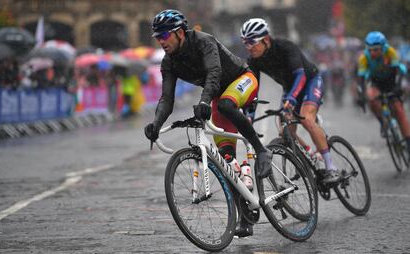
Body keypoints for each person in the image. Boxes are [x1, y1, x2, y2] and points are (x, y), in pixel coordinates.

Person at [144, 10, 273, 237]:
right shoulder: (169, 63)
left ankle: (262, 151)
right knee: (225, 159)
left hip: (242, 79)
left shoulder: (203, 41)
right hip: (218, 94)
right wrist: (155, 124)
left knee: (225, 104)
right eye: (157, 38)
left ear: (180, 33)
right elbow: (167, 98)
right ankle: (246, 216)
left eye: (164, 36)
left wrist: (204, 101)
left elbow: (215, 71)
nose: (160, 41)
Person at [240, 18, 341, 184]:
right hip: (290, 89)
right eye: (245, 43)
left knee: (307, 119)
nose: (248, 47)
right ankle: (310, 154)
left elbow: (300, 75)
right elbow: (253, 90)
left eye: (252, 42)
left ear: (265, 39)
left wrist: (292, 98)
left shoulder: (285, 46)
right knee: (285, 132)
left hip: (309, 81)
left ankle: (331, 168)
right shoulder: (254, 61)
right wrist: (249, 114)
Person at [357, 31, 410, 150]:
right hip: (377, 82)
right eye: (369, 49)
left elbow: (398, 71)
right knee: (371, 97)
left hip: (392, 81)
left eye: (375, 49)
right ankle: (382, 122)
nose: (372, 53)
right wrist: (361, 95)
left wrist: (398, 87)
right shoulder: (364, 58)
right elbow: (361, 79)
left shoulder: (390, 52)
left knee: (399, 111)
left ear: (383, 47)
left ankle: (408, 142)